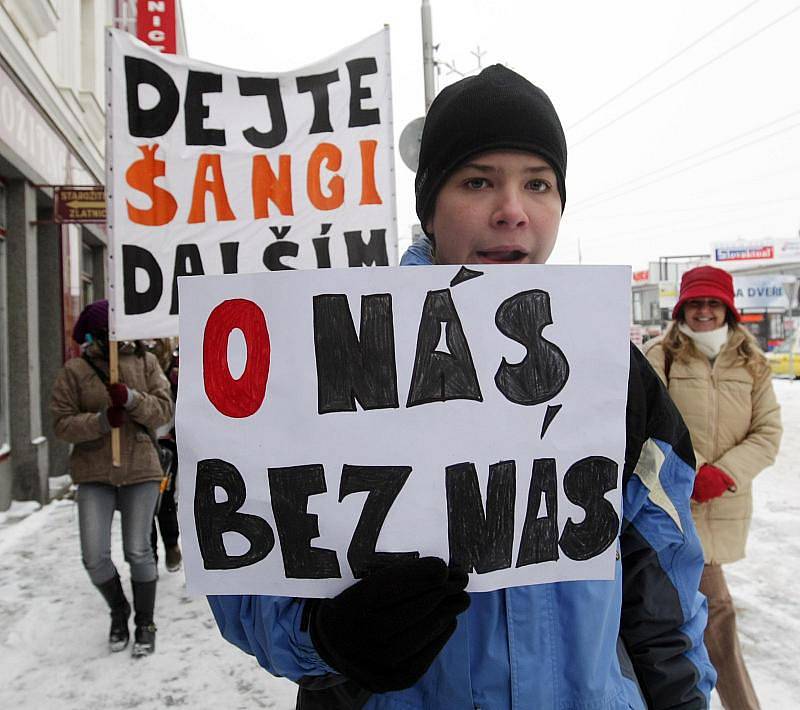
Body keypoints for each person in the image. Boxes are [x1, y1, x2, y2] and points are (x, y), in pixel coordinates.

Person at [208, 65, 715, 708]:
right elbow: (247, 571)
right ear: (431, 208)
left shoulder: (611, 372)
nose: (512, 211)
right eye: (478, 182)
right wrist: (325, 639)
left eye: (538, 184)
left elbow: (661, 578)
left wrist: (683, 699)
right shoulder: (336, 356)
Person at [644, 266, 781, 709]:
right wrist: (693, 471)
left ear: (728, 309)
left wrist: (722, 473)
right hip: (669, 505)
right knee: (712, 612)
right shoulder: (659, 356)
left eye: (713, 303)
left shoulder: (753, 364)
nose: (704, 311)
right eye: (696, 303)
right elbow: (652, 425)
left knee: (701, 614)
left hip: (723, 506)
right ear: (682, 308)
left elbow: (768, 431)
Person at [51, 299, 174, 656]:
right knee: (94, 556)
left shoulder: (147, 362)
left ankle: (144, 623)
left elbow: (163, 410)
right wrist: (100, 422)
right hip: (94, 473)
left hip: (139, 468)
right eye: (107, 334)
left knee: (138, 550)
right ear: (96, 335)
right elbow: (60, 424)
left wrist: (133, 399)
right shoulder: (75, 370)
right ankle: (119, 610)